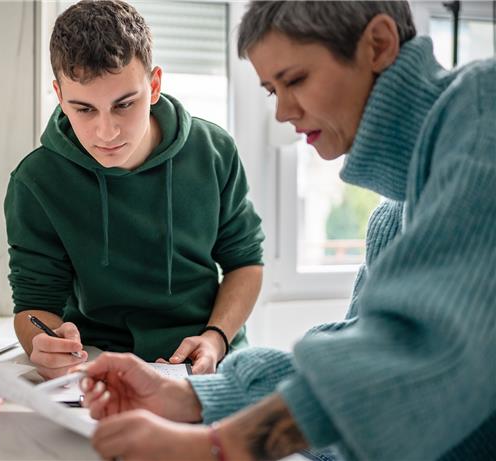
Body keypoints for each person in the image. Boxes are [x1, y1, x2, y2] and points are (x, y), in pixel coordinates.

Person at [78, 1, 496, 460]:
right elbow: (354, 364)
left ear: (378, 45)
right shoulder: (393, 216)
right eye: (272, 90)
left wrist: (217, 447)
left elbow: (408, 360)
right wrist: (191, 397)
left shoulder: (483, 111)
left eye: (295, 80)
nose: (282, 113)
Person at [4, 0, 265, 379]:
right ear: (59, 96)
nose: (106, 132)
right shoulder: (36, 180)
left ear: (154, 85)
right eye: (84, 109)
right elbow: (33, 305)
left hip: (208, 360)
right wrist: (42, 345)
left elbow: (245, 262)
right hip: (98, 366)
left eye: (124, 104)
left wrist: (216, 338)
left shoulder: (214, 151)